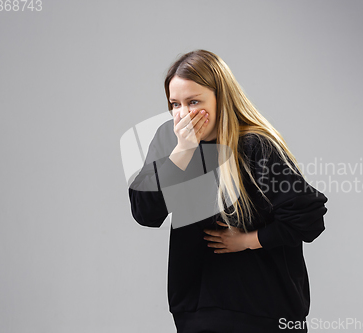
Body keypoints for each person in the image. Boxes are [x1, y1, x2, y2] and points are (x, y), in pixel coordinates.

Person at [128, 49, 328, 333]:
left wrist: (249, 240)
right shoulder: (168, 139)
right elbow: (145, 212)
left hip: (264, 311)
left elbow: (309, 218)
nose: (183, 114)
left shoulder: (254, 145)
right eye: (175, 104)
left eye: (194, 102)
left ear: (221, 98)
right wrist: (182, 153)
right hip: (197, 309)